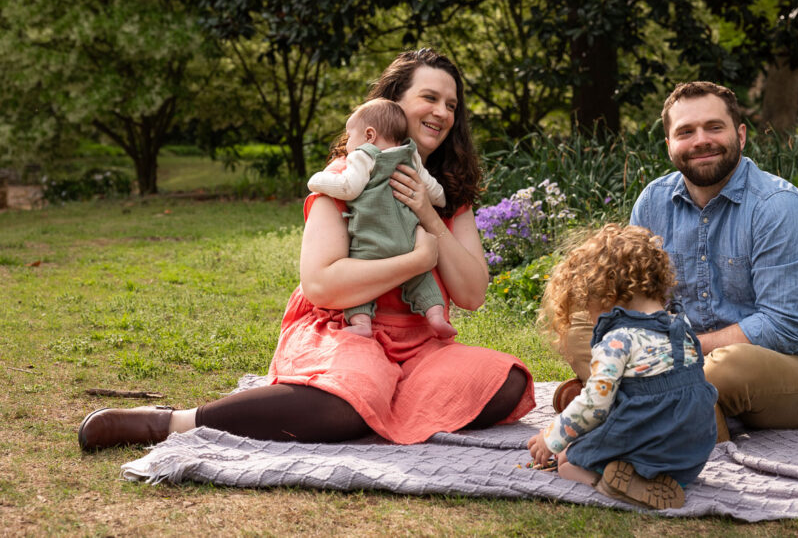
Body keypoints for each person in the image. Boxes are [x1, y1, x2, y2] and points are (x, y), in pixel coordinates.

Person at [78, 48, 534, 450]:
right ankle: (174, 423)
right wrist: (416, 261)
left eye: (451, 104)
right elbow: (322, 285)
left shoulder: (448, 193)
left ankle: (380, 398)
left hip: (419, 348)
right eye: (430, 98)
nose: (442, 112)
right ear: (393, 104)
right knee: (351, 397)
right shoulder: (346, 178)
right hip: (345, 327)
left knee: (507, 380)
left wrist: (428, 214)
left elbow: (472, 294)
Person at [554, 81, 798, 443]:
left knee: (728, 368)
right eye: (686, 132)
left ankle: (615, 402)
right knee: (580, 318)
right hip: (676, 358)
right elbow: (627, 292)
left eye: (714, 127)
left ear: (740, 134)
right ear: (669, 145)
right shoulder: (653, 202)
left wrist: (670, 347)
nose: (701, 140)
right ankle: (660, 409)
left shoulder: (777, 207)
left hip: (790, 367)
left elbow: (782, 328)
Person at [527, 224, 718, 510]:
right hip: (690, 451)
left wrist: (550, 438)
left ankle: (612, 485)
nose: (591, 318)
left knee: (567, 461)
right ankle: (661, 481)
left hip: (647, 435)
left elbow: (595, 404)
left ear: (607, 294)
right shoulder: (682, 326)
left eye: (588, 306)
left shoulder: (619, 340)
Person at [306, 98, 455, 339]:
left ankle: (361, 322)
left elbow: (349, 188)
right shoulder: (410, 155)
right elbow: (432, 188)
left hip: (371, 241)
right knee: (422, 280)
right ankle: (436, 316)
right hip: (407, 239)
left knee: (358, 288)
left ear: (369, 135)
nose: (347, 145)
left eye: (350, 136)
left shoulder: (364, 154)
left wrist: (316, 181)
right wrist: (439, 200)